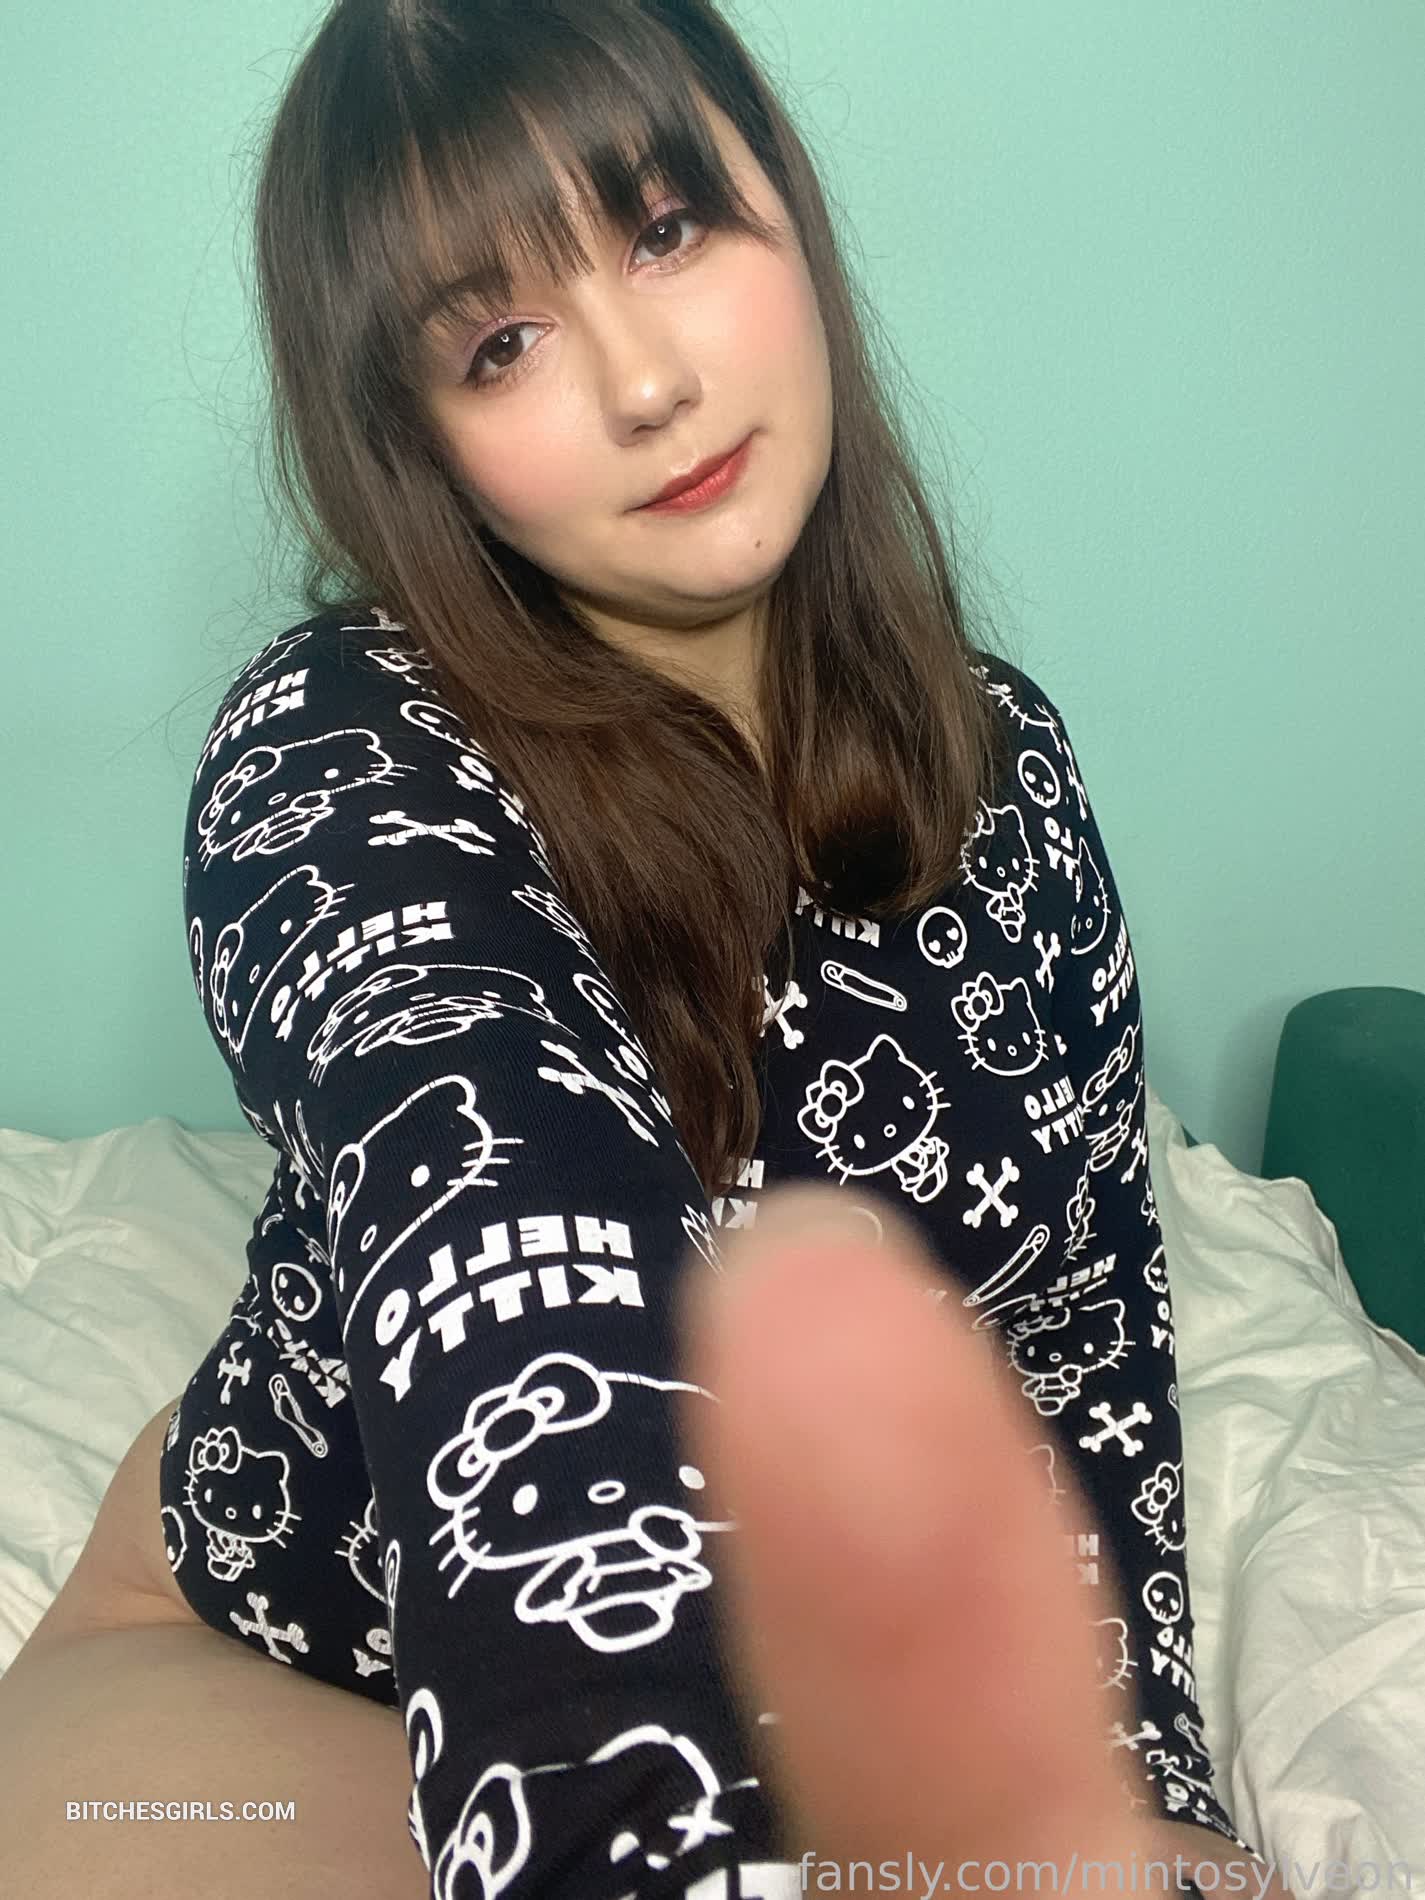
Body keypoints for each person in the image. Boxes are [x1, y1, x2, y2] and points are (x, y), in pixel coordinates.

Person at [0, 2, 1293, 1895]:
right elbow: (504, 1244)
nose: (643, 383)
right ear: (422, 446)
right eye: (498, 344)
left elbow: (1077, 1344)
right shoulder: (343, 752)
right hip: (268, 1673)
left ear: (789, 210)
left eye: (669, 227)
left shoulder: (1004, 765)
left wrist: (1138, 1786)